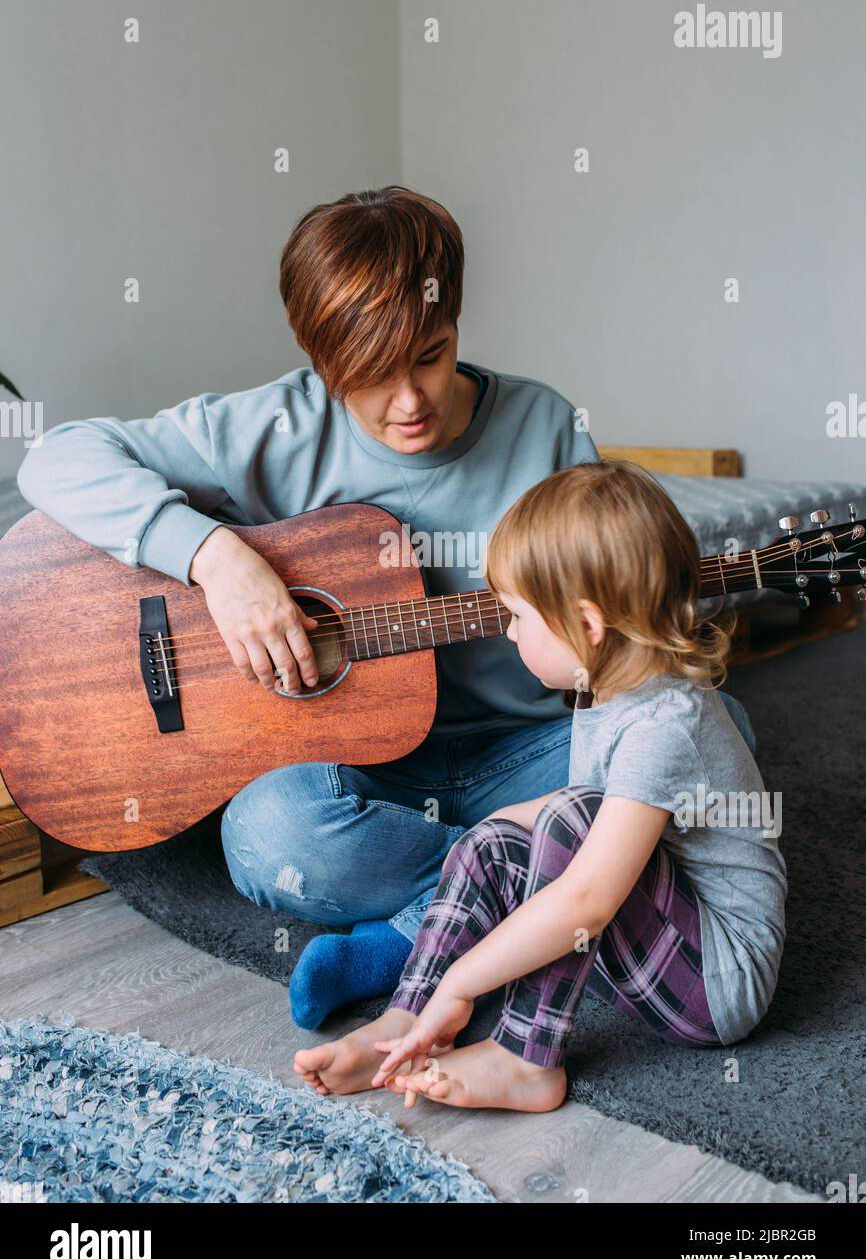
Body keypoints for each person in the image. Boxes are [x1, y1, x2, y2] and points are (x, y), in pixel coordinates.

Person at [16, 186, 756, 1028]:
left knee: (713, 725)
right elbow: (59, 457)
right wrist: (215, 559)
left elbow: (614, 628)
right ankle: (538, 889)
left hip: (532, 753)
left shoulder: (544, 425)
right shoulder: (268, 427)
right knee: (269, 833)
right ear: (318, 354)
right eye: (370, 375)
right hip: (362, 779)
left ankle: (412, 933)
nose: (410, 402)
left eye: (432, 356)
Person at [293, 460, 786, 1113]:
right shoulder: (606, 687)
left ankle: (526, 1056)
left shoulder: (668, 723)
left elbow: (586, 899)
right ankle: (404, 1023)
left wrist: (467, 982)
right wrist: (484, 847)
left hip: (718, 982)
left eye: (518, 616)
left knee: (572, 819)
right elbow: (549, 825)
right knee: (497, 835)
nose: (508, 629)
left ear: (585, 625)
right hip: (660, 936)